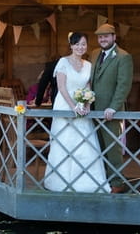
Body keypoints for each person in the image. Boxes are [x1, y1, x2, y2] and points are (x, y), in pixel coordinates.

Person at [43, 32, 111, 193]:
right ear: (71, 46)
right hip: (65, 105)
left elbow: (87, 86)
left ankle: (87, 181)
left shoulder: (88, 65)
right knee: (65, 140)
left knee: (84, 140)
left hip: (82, 106)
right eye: (77, 44)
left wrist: (86, 103)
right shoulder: (63, 62)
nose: (81, 47)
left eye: (84, 44)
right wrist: (73, 106)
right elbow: (61, 88)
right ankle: (60, 180)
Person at [90, 23, 133, 193]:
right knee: (97, 146)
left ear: (114, 37)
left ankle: (117, 182)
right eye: (100, 37)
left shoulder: (124, 57)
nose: (103, 39)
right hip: (92, 109)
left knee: (112, 147)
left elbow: (123, 85)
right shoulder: (94, 54)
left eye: (106, 36)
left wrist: (114, 107)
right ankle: (103, 179)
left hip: (110, 111)